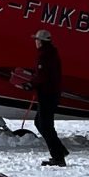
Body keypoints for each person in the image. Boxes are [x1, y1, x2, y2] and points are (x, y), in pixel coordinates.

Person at [30, 28, 69, 165]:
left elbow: (43, 77)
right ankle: (60, 150)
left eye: (36, 39)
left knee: (45, 125)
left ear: (40, 41)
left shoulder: (44, 55)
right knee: (40, 122)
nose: (35, 42)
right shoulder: (51, 53)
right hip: (50, 94)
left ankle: (58, 157)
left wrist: (31, 83)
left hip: (47, 94)